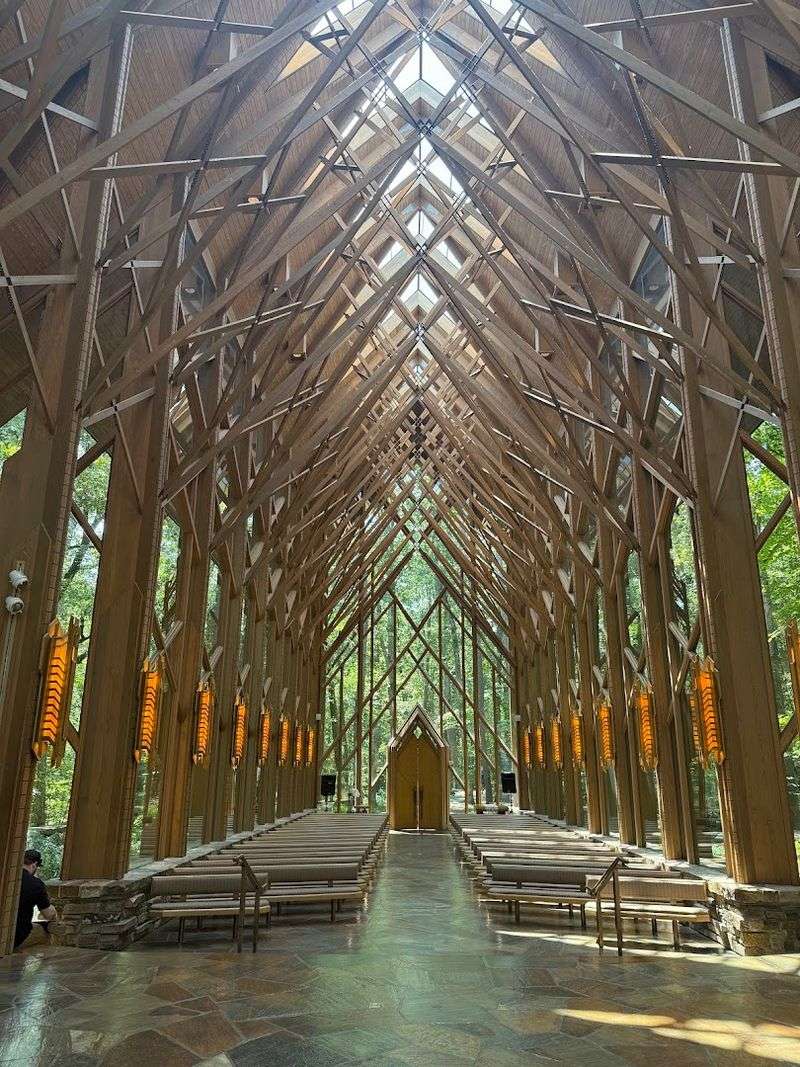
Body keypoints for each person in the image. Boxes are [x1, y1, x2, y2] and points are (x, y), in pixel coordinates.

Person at [15, 849, 56, 949]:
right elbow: (47, 915)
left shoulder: (7, 876)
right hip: (18, 933)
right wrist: (53, 910)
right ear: (34, 864)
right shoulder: (36, 884)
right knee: (45, 934)